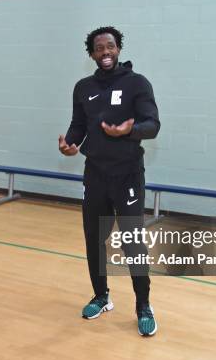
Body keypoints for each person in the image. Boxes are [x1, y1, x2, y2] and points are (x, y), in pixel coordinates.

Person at [59, 26, 161, 336]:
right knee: (94, 238)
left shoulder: (137, 84)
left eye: (110, 47)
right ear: (91, 53)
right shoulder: (83, 87)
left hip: (128, 174)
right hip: (96, 174)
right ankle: (101, 296)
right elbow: (78, 126)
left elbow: (153, 125)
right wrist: (69, 145)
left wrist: (130, 130)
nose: (105, 52)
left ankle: (143, 305)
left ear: (119, 49)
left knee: (132, 242)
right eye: (99, 48)